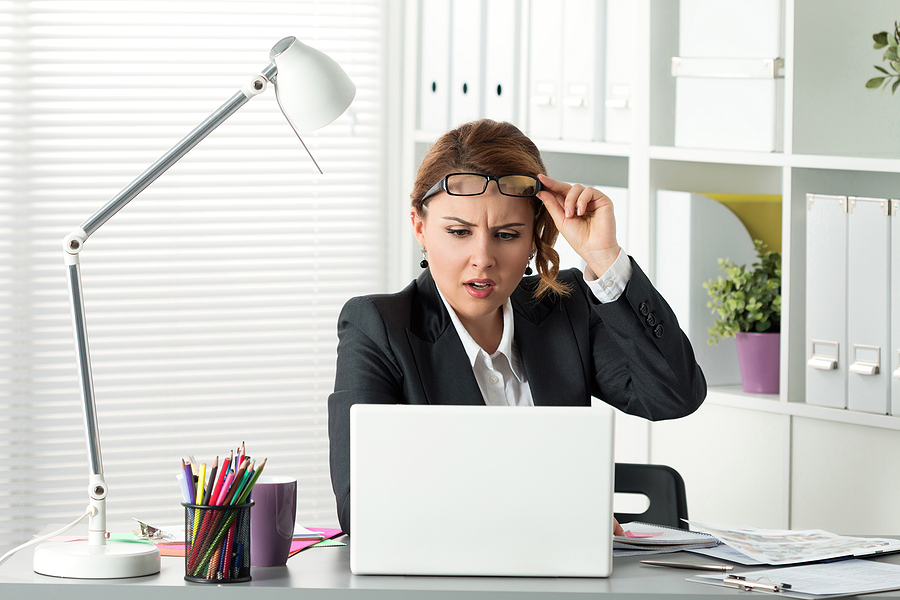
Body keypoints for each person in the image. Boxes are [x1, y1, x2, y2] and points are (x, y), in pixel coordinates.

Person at [327, 119, 706, 535]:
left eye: (507, 234)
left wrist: (604, 258)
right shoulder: (378, 328)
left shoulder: (565, 308)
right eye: (458, 232)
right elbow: (362, 509)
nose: (483, 257)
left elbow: (674, 395)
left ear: (533, 239)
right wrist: (554, 515)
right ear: (420, 227)